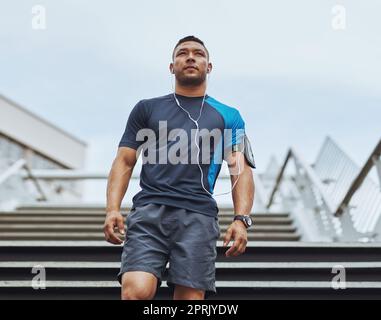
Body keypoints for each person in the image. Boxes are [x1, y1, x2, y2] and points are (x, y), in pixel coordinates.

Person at [104, 35, 255, 300]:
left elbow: (239, 168)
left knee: (190, 300)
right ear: (171, 66)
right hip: (150, 212)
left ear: (209, 67)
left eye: (198, 53)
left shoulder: (230, 116)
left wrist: (241, 219)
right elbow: (125, 160)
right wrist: (112, 209)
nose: (190, 57)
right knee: (135, 292)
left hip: (199, 216)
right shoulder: (146, 109)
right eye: (182, 53)